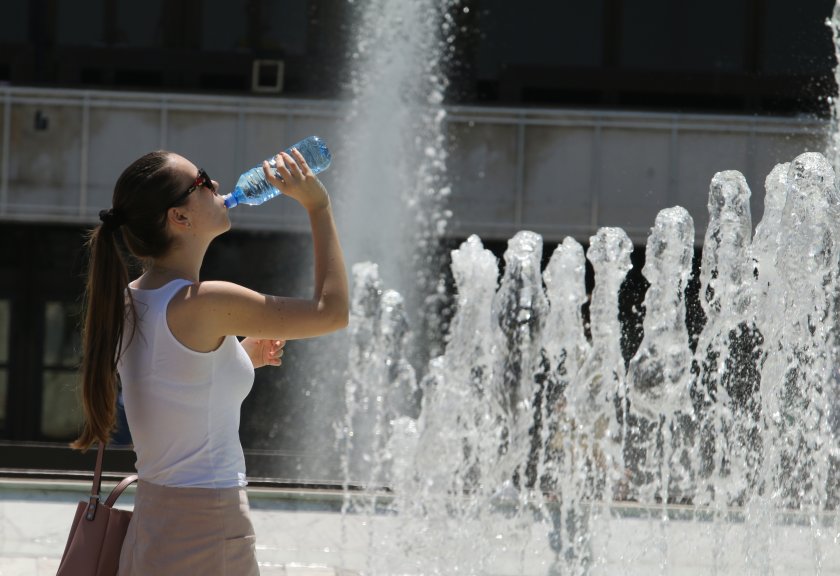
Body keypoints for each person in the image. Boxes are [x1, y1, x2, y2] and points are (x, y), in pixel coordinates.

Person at [72, 147, 349, 575]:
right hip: (206, 525)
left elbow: (171, 380)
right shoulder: (207, 302)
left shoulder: (128, 299)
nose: (216, 184)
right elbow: (332, 313)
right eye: (201, 180)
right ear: (179, 218)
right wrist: (319, 205)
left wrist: (237, 356)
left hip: (153, 523)